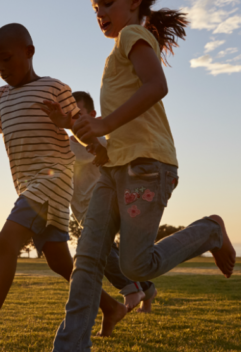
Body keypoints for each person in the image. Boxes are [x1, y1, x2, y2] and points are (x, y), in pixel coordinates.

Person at [39, 0, 236, 349]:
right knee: (86, 261)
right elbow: (101, 148)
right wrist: (74, 126)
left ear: (134, 1)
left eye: (107, 3)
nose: (99, 12)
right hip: (113, 168)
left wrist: (103, 124)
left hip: (147, 165)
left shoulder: (132, 34)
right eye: (95, 7)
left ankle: (209, 230)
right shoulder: (115, 53)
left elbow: (157, 85)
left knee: (135, 267)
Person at [0, 23, 128, 352]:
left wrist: (100, 149)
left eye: (6, 59)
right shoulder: (0, 97)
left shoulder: (55, 88)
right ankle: (111, 306)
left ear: (29, 52)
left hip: (53, 180)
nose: (0, 68)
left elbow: (79, 126)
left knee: (5, 240)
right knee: (60, 263)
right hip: (28, 186)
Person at [70, 91, 157, 315]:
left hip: (103, 203)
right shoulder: (65, 144)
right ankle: (147, 289)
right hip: (80, 209)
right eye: (70, 115)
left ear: (93, 115)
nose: (75, 120)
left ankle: (131, 290)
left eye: (79, 114)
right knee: (112, 253)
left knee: (95, 250)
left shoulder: (101, 139)